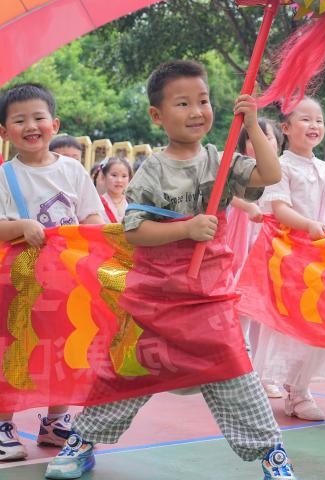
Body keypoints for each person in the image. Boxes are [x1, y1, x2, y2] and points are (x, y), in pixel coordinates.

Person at [44, 59, 296, 480]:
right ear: (157, 116)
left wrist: (252, 125)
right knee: (123, 374)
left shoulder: (220, 158)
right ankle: (81, 442)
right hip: (156, 296)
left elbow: (269, 174)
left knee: (236, 373)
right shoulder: (152, 169)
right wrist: (187, 228)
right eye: (183, 103)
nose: (197, 111)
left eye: (204, 100)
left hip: (209, 295)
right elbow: (136, 231)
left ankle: (272, 454)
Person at [0, 83, 105, 461]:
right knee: (15, 349)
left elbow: (92, 215)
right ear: (3, 132)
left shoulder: (73, 171)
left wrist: (95, 234)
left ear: (54, 123)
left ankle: (56, 420)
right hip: (19, 281)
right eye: (19, 120)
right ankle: (1, 424)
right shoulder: (5, 175)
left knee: (62, 348)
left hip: (66, 282)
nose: (31, 126)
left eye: (38, 117)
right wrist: (21, 226)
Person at [253, 97, 325, 422]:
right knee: (295, 322)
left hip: (324, 258)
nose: (314, 125)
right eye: (305, 119)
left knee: (322, 320)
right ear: (286, 128)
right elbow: (280, 208)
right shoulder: (280, 167)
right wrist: (307, 225)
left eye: (318, 120)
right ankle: (296, 392)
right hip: (293, 256)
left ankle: (301, 386)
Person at [228, 118, 284, 398]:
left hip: (269, 244)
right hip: (241, 238)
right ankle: (243, 371)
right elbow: (224, 195)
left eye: (268, 136)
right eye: (253, 137)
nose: (262, 142)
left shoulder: (282, 171)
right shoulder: (238, 168)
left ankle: (265, 374)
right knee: (241, 304)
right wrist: (247, 206)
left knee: (266, 309)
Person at [97, 157, 132, 222]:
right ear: (104, 177)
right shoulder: (98, 203)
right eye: (114, 175)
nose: (119, 180)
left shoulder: (132, 203)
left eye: (124, 176)